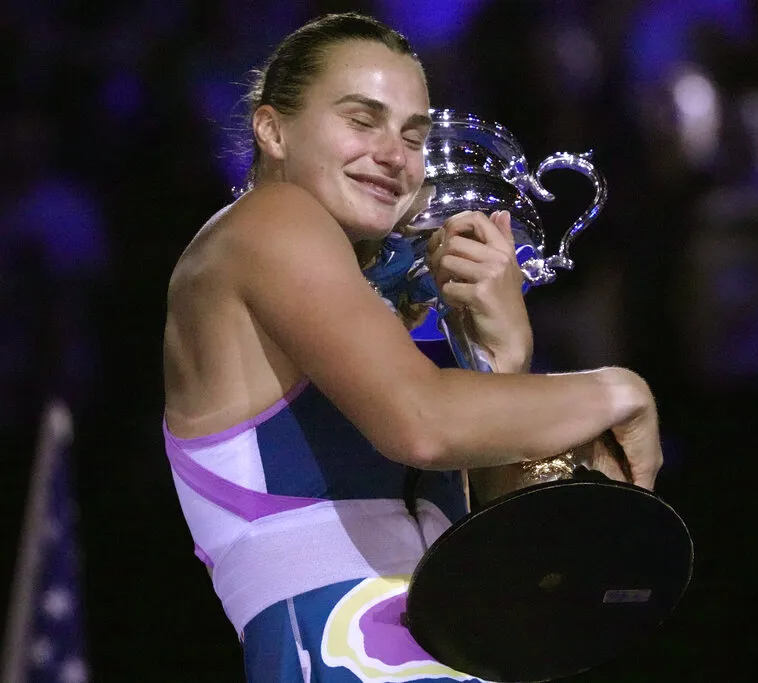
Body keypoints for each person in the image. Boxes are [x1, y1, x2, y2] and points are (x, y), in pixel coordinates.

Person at [162, 12, 663, 683]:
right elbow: (421, 423)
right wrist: (619, 390)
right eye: (361, 120)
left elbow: (525, 552)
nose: (395, 154)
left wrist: (503, 355)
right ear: (273, 129)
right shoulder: (267, 221)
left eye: (413, 134)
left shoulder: (393, 297)